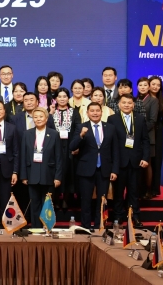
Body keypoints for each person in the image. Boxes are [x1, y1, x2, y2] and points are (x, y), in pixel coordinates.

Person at [69, 102, 119, 230]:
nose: (95, 113)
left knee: (102, 201)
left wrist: (114, 170)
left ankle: (99, 226)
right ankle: (85, 226)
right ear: (87, 113)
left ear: (101, 112)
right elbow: (72, 146)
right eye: (92, 111)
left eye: (97, 110)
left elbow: (115, 151)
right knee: (85, 200)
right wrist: (81, 136)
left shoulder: (110, 128)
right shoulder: (81, 127)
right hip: (86, 169)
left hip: (104, 169)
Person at [109, 94, 149, 228]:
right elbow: (110, 142)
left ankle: (135, 216)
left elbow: (145, 140)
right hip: (119, 161)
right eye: (124, 102)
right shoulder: (112, 119)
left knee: (134, 191)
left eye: (129, 103)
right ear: (119, 104)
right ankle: (118, 216)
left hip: (136, 161)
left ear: (133, 105)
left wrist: (145, 157)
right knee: (118, 192)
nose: (126, 105)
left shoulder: (140, 118)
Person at [19, 107, 63, 228]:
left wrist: (58, 177)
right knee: (34, 203)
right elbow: (23, 156)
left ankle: (47, 228)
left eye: (41, 116)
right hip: (32, 173)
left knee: (47, 203)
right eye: (36, 117)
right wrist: (23, 176)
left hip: (49, 174)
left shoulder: (54, 134)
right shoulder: (27, 134)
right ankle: (36, 228)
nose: (38, 119)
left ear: (46, 118)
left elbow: (59, 157)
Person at [52, 88, 81, 209]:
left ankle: (66, 200)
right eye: (60, 96)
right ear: (56, 99)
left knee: (69, 173)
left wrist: (75, 144)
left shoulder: (74, 112)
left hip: (70, 146)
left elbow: (78, 129)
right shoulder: (51, 112)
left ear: (68, 98)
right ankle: (55, 200)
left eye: (65, 96)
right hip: (54, 146)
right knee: (56, 172)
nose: (62, 99)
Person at [135, 76, 158, 199]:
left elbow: (152, 121)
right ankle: (139, 190)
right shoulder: (134, 99)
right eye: (140, 85)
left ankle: (148, 190)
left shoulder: (153, 100)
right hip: (135, 138)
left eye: (145, 85)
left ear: (149, 87)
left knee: (147, 164)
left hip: (148, 137)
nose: (143, 87)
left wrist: (140, 131)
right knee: (137, 165)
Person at [148, 76, 163, 197]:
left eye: (158, 85)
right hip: (146, 132)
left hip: (158, 133)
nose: (155, 87)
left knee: (157, 161)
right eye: (153, 84)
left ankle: (155, 189)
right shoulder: (143, 99)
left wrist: (158, 127)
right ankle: (145, 188)